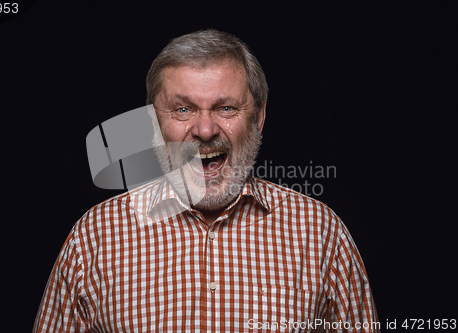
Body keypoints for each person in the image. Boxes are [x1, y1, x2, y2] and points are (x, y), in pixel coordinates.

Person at [33, 29, 379, 332]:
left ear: (258, 118)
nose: (204, 129)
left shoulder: (320, 234)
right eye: (182, 109)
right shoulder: (93, 239)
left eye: (226, 108)